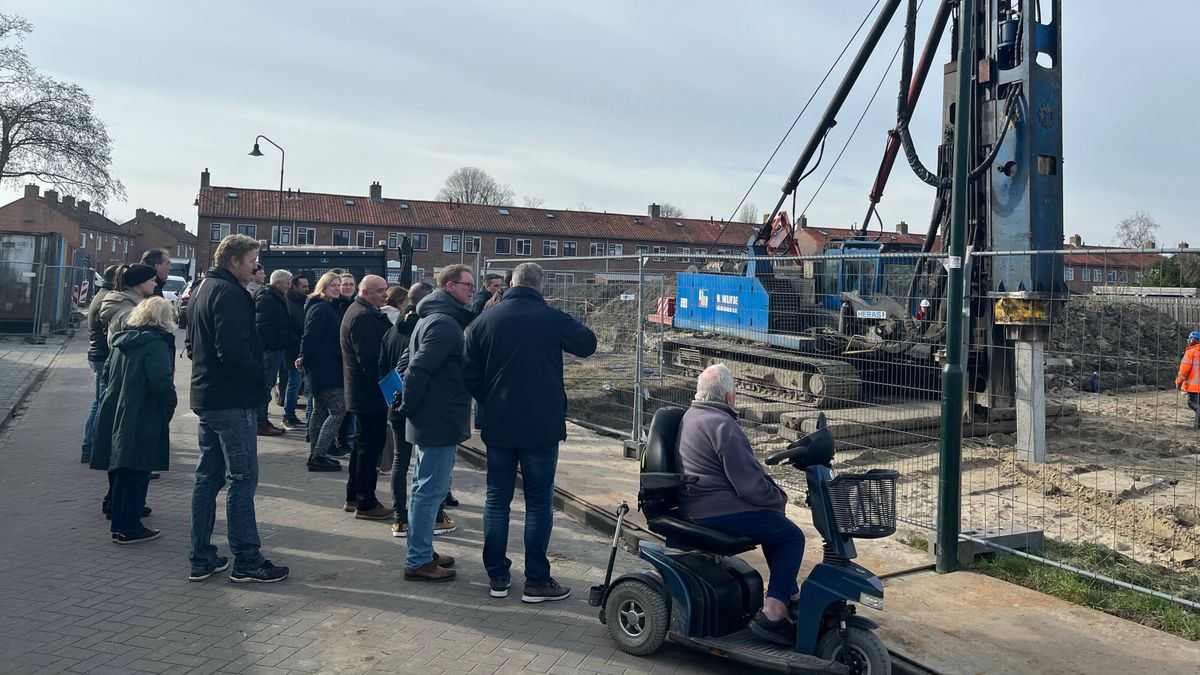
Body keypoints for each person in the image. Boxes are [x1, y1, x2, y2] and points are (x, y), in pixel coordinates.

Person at [464, 262, 597, 602]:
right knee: (538, 503)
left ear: (509, 283)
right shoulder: (551, 318)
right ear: (542, 285)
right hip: (542, 425)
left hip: (499, 424)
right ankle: (537, 581)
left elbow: (468, 374)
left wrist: (491, 400)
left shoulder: (484, 321)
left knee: (497, 500)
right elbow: (587, 344)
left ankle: (497, 577)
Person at [675, 363, 805, 646]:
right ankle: (774, 611)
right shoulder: (722, 424)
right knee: (791, 535)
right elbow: (749, 485)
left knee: (774, 528)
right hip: (714, 510)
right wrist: (778, 498)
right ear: (729, 396)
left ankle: (789, 593)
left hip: (697, 503)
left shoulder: (693, 415)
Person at [185, 234, 288, 584]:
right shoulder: (229, 293)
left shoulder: (203, 287)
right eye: (252, 261)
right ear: (234, 260)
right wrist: (258, 382)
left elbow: (192, 342)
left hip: (208, 396)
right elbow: (232, 348)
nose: (256, 267)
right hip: (231, 400)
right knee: (241, 480)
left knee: (207, 479)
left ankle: (201, 557)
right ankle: (247, 560)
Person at [398, 264, 476, 582]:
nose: (472, 290)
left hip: (432, 416)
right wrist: (408, 405)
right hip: (438, 418)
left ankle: (422, 551)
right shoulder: (444, 323)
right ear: (449, 286)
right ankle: (418, 560)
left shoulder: (431, 318)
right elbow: (416, 368)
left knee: (423, 487)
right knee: (430, 490)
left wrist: (406, 403)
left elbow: (406, 363)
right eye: (467, 285)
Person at [90, 297, 177, 544]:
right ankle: (129, 527)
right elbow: (161, 381)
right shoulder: (156, 345)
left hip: (116, 409)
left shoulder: (121, 342)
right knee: (138, 468)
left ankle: (120, 521)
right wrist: (169, 405)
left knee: (121, 468)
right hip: (142, 411)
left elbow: (106, 375)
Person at [380, 282, 453, 539]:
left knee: (400, 460)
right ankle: (435, 517)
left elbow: (383, 368)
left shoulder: (391, 331)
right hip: (419, 406)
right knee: (428, 466)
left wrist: (392, 401)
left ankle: (400, 518)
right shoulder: (427, 330)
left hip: (395, 401)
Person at [340, 274, 394, 519]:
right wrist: (389, 386)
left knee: (362, 446)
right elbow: (371, 360)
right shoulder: (362, 316)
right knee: (369, 448)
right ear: (365, 292)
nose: (385, 294)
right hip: (369, 393)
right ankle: (366, 502)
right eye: (380, 290)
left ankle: (354, 496)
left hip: (364, 392)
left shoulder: (365, 312)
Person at [298, 272, 344, 472]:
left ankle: (315, 454)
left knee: (319, 412)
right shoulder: (322, 308)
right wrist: (303, 357)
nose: (337, 288)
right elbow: (310, 336)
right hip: (326, 368)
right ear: (323, 286)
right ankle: (318, 455)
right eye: (333, 285)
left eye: (338, 285)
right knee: (338, 411)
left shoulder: (321, 306)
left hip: (320, 367)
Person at [81, 264, 119, 464]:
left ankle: (88, 447)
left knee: (98, 403)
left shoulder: (100, 295)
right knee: (103, 404)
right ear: (114, 279)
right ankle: (93, 447)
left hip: (96, 354)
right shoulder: (107, 299)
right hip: (103, 356)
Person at [254, 270, 294, 437]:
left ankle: (262, 420)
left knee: (267, 386)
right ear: (278, 283)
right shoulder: (267, 298)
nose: (289, 286)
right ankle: (260, 422)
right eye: (287, 283)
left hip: (273, 349)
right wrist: (274, 343)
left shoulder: (273, 296)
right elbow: (261, 325)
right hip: (269, 350)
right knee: (265, 387)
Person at [101, 264, 159, 345]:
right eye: (152, 280)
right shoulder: (131, 312)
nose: (155, 284)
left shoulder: (125, 302)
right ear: (141, 282)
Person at [282, 275, 309, 429]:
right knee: (294, 382)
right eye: (304, 286)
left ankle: (290, 414)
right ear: (295, 287)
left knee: (297, 382)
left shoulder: (302, 302)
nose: (307, 289)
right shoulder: (289, 303)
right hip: (292, 349)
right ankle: (288, 415)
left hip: (300, 347)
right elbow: (289, 327)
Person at [1178, 331, 1200, 429]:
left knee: (1192, 403)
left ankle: (1197, 426)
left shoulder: (1190, 352)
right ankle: (1197, 426)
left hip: (1193, 386)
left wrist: (1178, 381)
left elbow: (1184, 369)